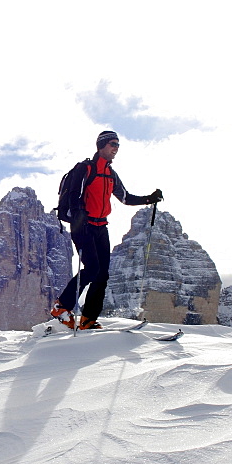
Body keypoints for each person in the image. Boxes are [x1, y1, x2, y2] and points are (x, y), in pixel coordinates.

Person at [52, 131, 162, 330]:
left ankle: (88, 319)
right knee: (92, 268)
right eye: (113, 144)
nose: (116, 148)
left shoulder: (110, 173)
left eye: (118, 145)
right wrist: (79, 217)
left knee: (102, 274)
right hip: (83, 226)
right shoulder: (85, 168)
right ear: (101, 145)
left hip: (101, 226)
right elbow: (74, 196)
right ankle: (62, 306)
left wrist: (149, 199)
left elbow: (125, 198)